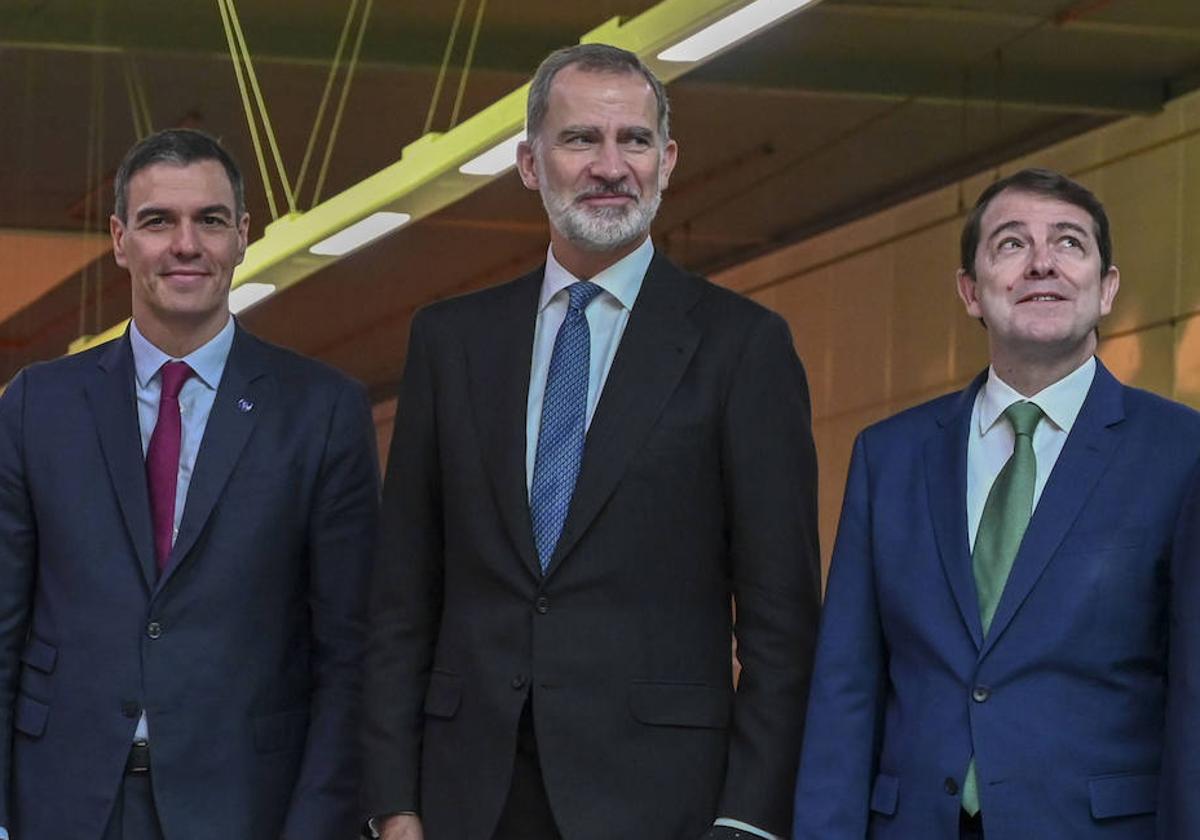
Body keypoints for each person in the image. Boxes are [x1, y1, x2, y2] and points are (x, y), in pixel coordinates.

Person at [362, 43, 820, 840]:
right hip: (465, 798)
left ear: (668, 161)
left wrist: (747, 821)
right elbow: (404, 595)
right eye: (581, 140)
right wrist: (393, 803)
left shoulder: (743, 347)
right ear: (530, 163)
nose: (612, 166)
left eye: (634, 141)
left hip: (663, 804)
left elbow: (782, 624)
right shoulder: (450, 342)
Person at [793, 168, 1200, 839]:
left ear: (1108, 289)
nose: (1042, 262)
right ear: (970, 292)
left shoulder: (1180, 452)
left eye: (1070, 243)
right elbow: (846, 688)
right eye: (1011, 245)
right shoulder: (889, 458)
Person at [0, 128, 379, 839]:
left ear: (241, 235)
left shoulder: (322, 411)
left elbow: (349, 652)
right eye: (157, 222)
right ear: (119, 239)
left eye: (209, 220)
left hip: (246, 808)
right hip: (61, 806)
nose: (185, 244)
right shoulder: (36, 406)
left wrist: (318, 825)